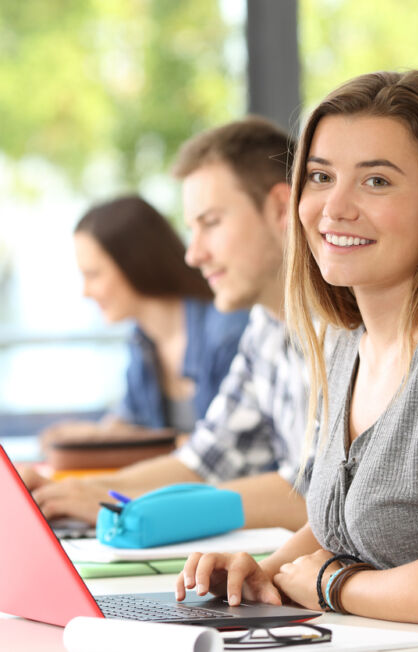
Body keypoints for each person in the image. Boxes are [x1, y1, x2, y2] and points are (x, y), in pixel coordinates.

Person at [176, 71, 418, 651]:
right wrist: (263, 571)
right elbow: (345, 520)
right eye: (320, 177)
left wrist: (330, 583)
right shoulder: (344, 341)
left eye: (377, 181)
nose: (335, 207)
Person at [21, 117, 310, 531]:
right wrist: (79, 490)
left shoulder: (346, 328)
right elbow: (203, 461)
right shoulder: (265, 329)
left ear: (281, 209)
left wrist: (124, 503)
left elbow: (318, 496)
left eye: (210, 223)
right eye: (191, 229)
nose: (193, 255)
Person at [41, 195, 249, 449]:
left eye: (93, 274)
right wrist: (92, 436)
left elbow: (227, 451)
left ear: (134, 263)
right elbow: (131, 422)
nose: (85, 292)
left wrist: (141, 443)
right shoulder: (142, 342)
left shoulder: (228, 332)